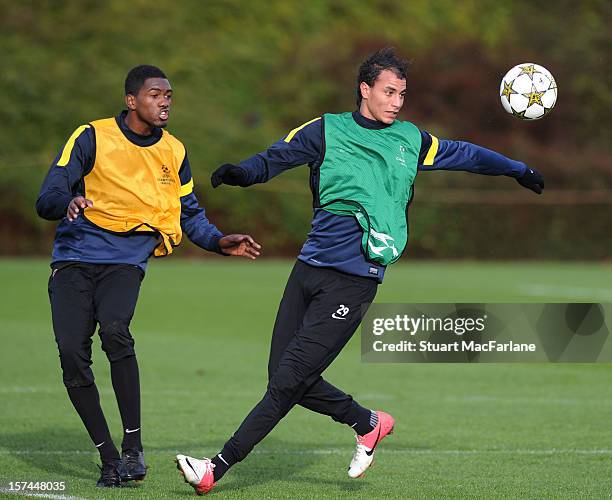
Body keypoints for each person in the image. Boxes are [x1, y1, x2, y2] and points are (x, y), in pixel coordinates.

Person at [175, 48, 544, 495]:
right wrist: (242, 173)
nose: (396, 101)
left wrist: (516, 169)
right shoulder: (326, 129)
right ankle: (367, 422)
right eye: (389, 91)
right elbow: (276, 157)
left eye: (402, 94)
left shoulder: (410, 138)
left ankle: (215, 467)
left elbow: (465, 154)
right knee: (284, 377)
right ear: (365, 90)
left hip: (355, 278)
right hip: (309, 269)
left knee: (289, 379)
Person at [36, 65, 261, 488]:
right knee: (72, 355)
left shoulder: (173, 151)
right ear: (131, 100)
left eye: (169, 95)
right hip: (74, 259)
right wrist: (66, 201)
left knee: (116, 331)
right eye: (156, 94)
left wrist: (216, 242)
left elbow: (189, 213)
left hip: (126, 260)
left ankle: (133, 448)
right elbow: (49, 192)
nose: (165, 102)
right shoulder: (92, 136)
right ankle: (107, 458)